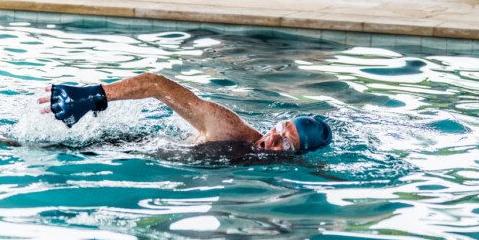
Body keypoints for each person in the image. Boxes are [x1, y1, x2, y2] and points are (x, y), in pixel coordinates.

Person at [38, 73, 332, 154]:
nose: (271, 141)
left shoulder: (290, 170)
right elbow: (156, 84)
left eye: (286, 144)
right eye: (278, 130)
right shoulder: (228, 128)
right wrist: (93, 96)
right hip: (124, 147)